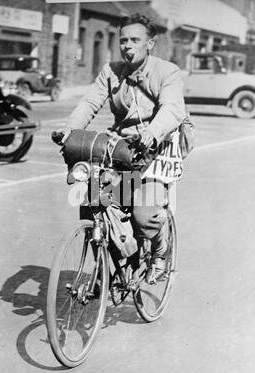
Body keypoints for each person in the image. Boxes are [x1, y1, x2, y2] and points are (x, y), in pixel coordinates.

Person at [52, 13, 186, 281]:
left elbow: (172, 109)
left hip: (154, 147)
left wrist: (152, 132)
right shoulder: (111, 71)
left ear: (150, 43)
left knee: (145, 215)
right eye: (123, 40)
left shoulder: (166, 71)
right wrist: (70, 129)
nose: (127, 45)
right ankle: (113, 265)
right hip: (122, 147)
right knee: (96, 204)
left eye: (135, 40)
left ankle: (160, 251)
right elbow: (90, 103)